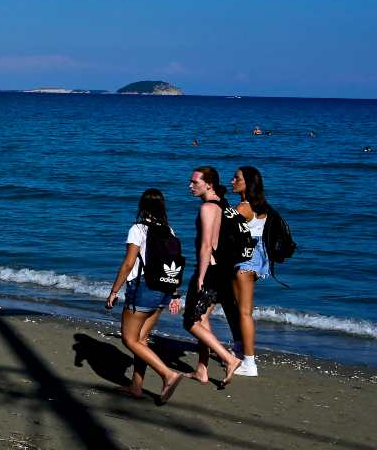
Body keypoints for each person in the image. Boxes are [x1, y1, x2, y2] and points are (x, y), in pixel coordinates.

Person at [104, 189, 184, 400]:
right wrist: (175, 294)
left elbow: (128, 263)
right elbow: (174, 265)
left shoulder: (138, 229)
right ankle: (136, 386)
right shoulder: (169, 230)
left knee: (129, 339)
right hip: (163, 291)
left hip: (142, 290)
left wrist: (114, 291)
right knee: (142, 339)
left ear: (142, 206)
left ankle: (168, 374)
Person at [178, 166, 242, 398]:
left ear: (209, 184)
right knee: (203, 320)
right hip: (225, 271)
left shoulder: (207, 207)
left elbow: (207, 245)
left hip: (210, 271)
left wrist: (201, 276)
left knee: (190, 322)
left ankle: (228, 358)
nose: (190, 185)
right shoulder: (225, 205)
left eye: (195, 182)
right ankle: (202, 371)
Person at [230, 166, 270, 377]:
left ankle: (249, 362)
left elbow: (225, 227)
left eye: (237, 178)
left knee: (244, 312)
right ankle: (241, 352)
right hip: (259, 257)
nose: (232, 181)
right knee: (241, 309)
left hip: (246, 258)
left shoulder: (244, 207)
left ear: (248, 183)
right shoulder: (262, 205)